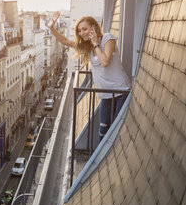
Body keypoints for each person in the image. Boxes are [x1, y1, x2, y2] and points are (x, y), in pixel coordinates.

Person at [47, 12, 131, 141]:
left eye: (85, 29)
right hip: (105, 94)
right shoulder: (88, 47)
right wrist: (51, 27)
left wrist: (96, 43)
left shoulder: (108, 38)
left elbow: (105, 61)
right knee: (103, 130)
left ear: (94, 28)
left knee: (117, 129)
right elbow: (65, 41)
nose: (82, 33)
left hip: (120, 91)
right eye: (79, 31)